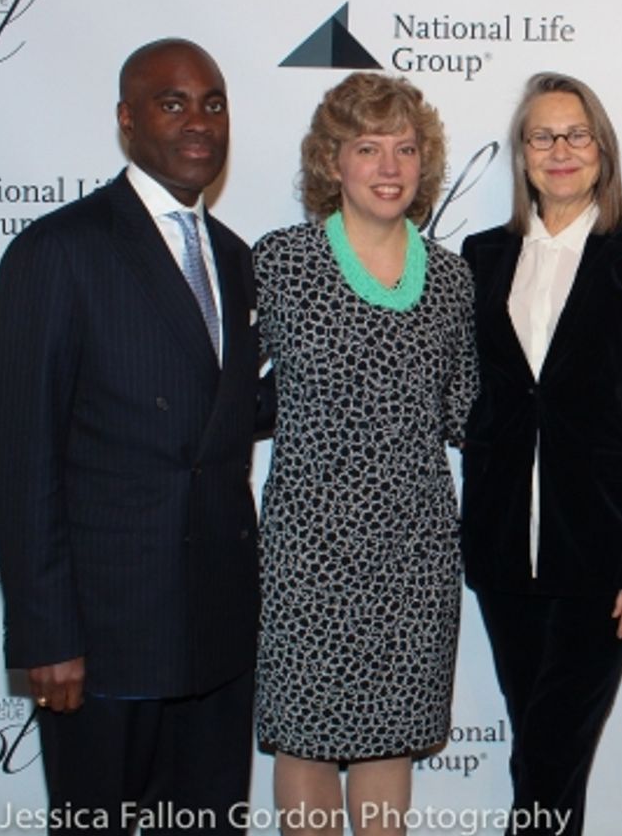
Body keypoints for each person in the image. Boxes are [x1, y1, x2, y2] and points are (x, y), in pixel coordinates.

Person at [0, 38, 262, 833]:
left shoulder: (236, 259)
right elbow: (19, 457)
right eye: (172, 103)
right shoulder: (58, 250)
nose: (198, 122)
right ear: (126, 120)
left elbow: (224, 419)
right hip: (102, 644)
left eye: (213, 103)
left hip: (217, 637)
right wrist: (46, 636)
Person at [459, 72, 622, 836]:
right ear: (522, 156)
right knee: (537, 748)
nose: (560, 150)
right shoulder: (481, 256)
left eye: (576, 134)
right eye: (542, 136)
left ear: (603, 151)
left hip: (604, 555)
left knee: (553, 750)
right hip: (501, 549)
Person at [252, 73, 477, 835]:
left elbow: (469, 413)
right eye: (367, 148)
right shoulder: (280, 265)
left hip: (412, 561)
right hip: (306, 558)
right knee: (307, 748)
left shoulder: (450, 278)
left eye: (406, 149)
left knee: (389, 749)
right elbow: (224, 399)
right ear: (332, 162)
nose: (389, 167)